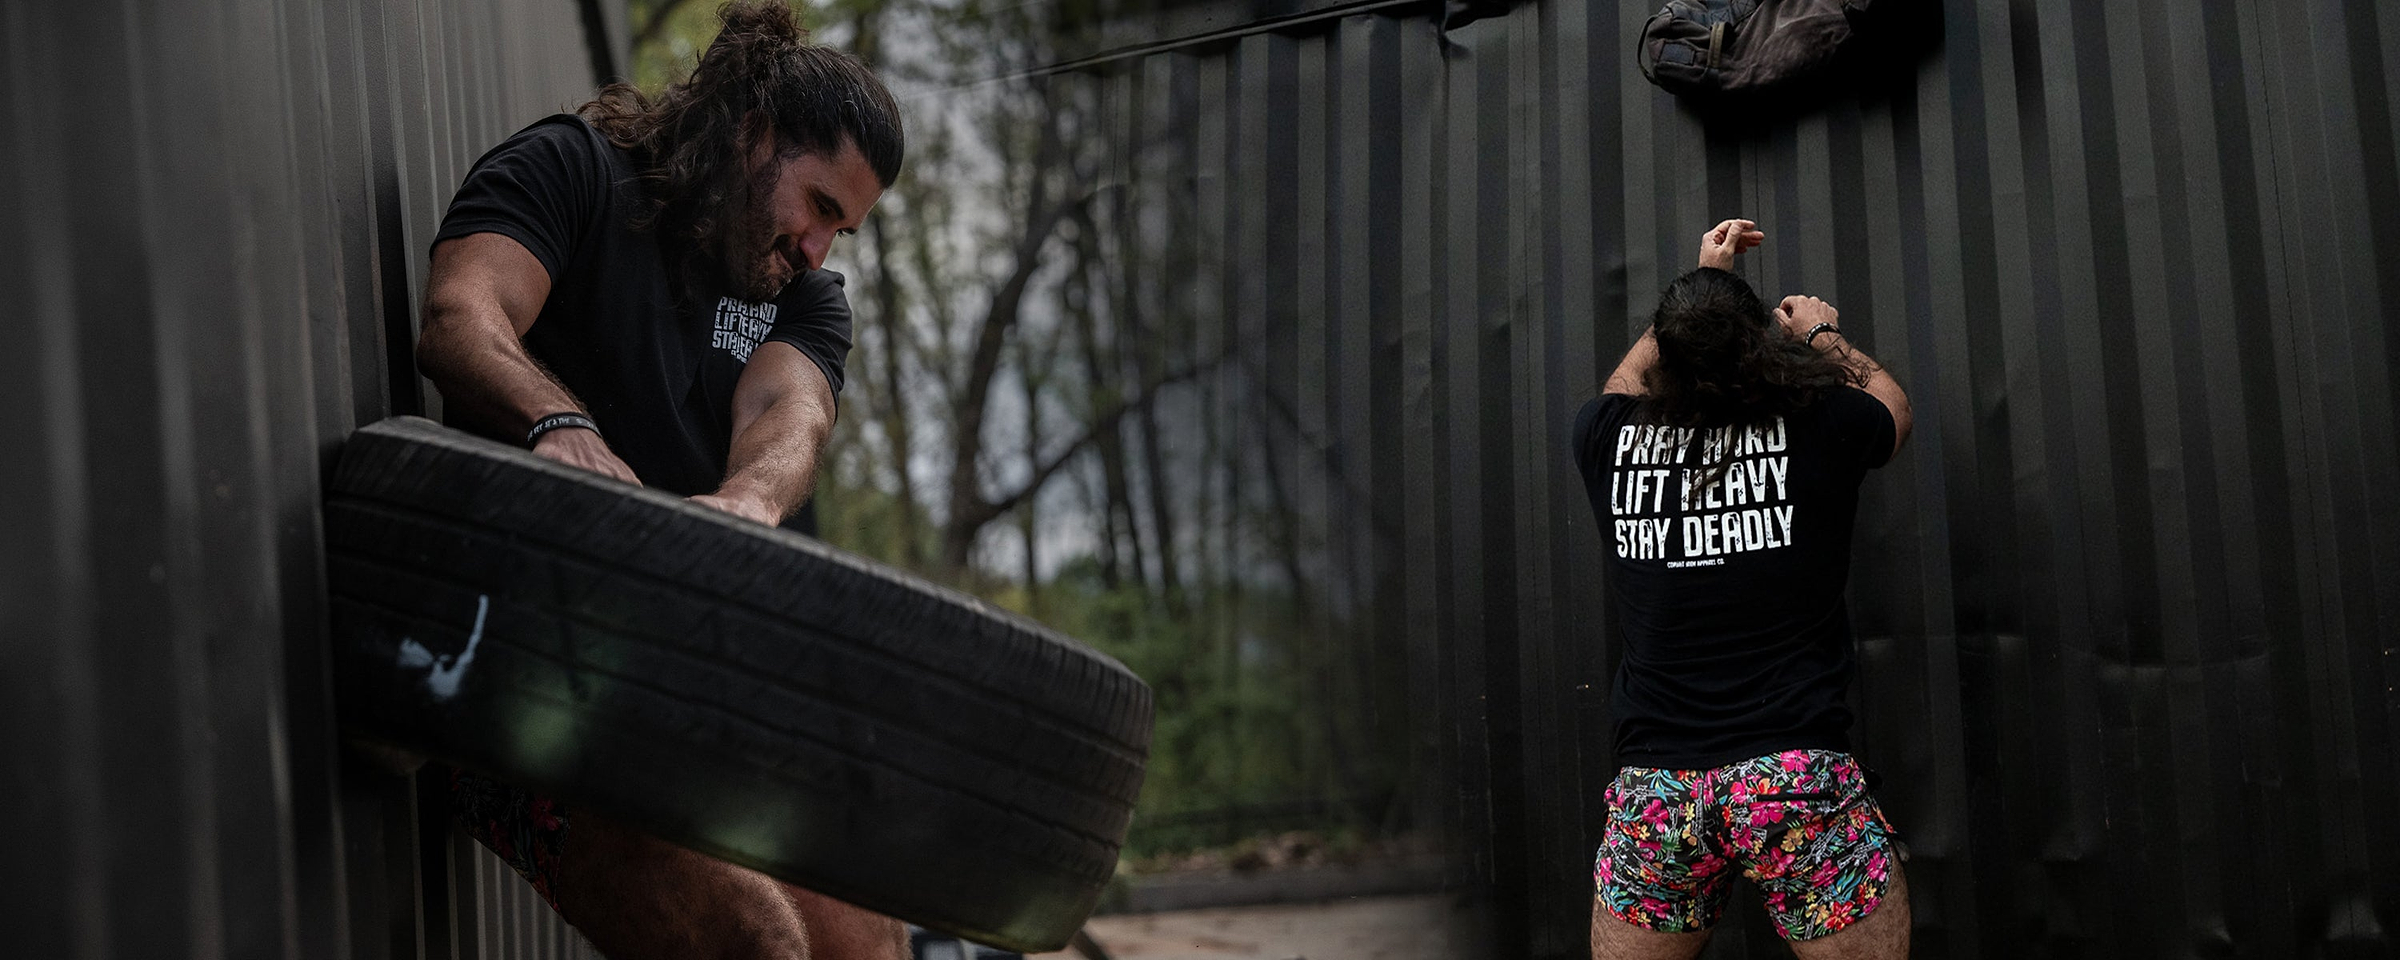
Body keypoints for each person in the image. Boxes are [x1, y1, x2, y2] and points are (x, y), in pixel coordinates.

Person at [411, 3, 907, 957]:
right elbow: (461, 314)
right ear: (754, 134)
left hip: (679, 685)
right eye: (819, 206)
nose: (818, 247)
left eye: (841, 230)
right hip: (508, 680)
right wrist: (557, 423)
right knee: (760, 946)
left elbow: (789, 412)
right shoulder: (571, 170)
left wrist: (750, 500)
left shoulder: (805, 298)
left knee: (870, 939)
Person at [1572, 218, 1915, 960]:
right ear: (1757, 346)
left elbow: (1622, 384)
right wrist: (1821, 334)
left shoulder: (1605, 437)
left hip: (1658, 792)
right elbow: (1893, 408)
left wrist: (1701, 295)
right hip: (1791, 781)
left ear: (1666, 349)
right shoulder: (1821, 424)